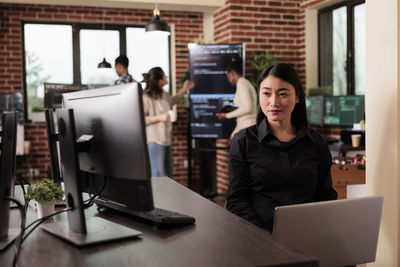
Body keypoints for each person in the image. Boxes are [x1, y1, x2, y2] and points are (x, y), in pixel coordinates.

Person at [226, 63, 338, 232]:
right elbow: (236, 200)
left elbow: (326, 196)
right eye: (266, 93)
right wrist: (265, 238)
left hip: (309, 235)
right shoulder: (243, 142)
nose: (274, 102)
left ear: (297, 97)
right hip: (259, 240)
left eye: (283, 94)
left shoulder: (316, 143)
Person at [142, 67, 195, 178]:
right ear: (158, 80)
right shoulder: (146, 97)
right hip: (155, 140)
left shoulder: (163, 94)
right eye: (164, 76)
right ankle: (157, 196)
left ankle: (165, 195)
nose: (166, 78)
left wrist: (184, 89)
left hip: (166, 139)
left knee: (168, 173)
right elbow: (142, 120)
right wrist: (159, 118)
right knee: (157, 174)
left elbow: (172, 100)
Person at [217, 59, 257, 143]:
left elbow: (247, 108)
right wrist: (233, 134)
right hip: (244, 126)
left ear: (232, 73)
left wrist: (227, 115)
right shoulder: (244, 83)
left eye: (228, 76)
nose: (228, 80)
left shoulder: (241, 83)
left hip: (247, 127)